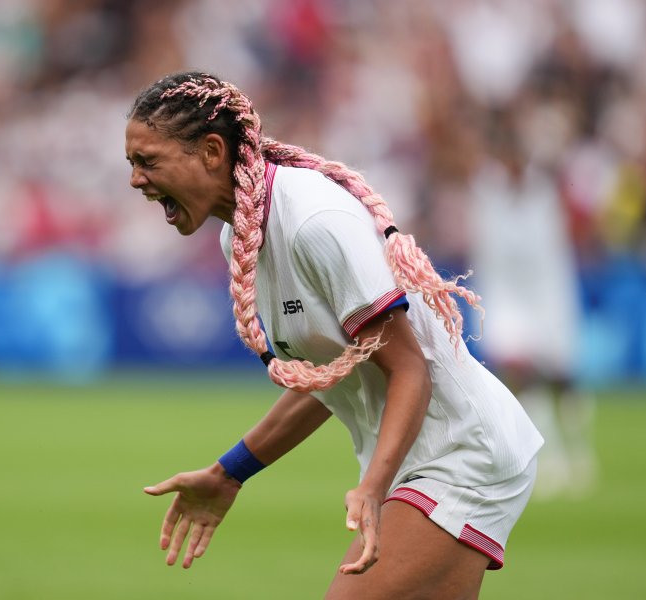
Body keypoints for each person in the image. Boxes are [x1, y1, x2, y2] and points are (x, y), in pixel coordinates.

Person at [127, 71, 543, 599]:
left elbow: (408, 368)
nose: (136, 180)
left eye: (148, 161)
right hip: (424, 460)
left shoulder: (312, 220)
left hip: (460, 455)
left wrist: (372, 489)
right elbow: (332, 379)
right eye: (131, 164)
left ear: (211, 151)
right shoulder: (241, 237)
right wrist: (229, 472)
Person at [467, 110, 597, 499]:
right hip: (506, 296)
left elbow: (551, 251)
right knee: (519, 371)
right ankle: (549, 456)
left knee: (560, 378)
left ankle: (580, 449)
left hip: (547, 295)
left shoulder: (544, 192)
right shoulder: (485, 191)